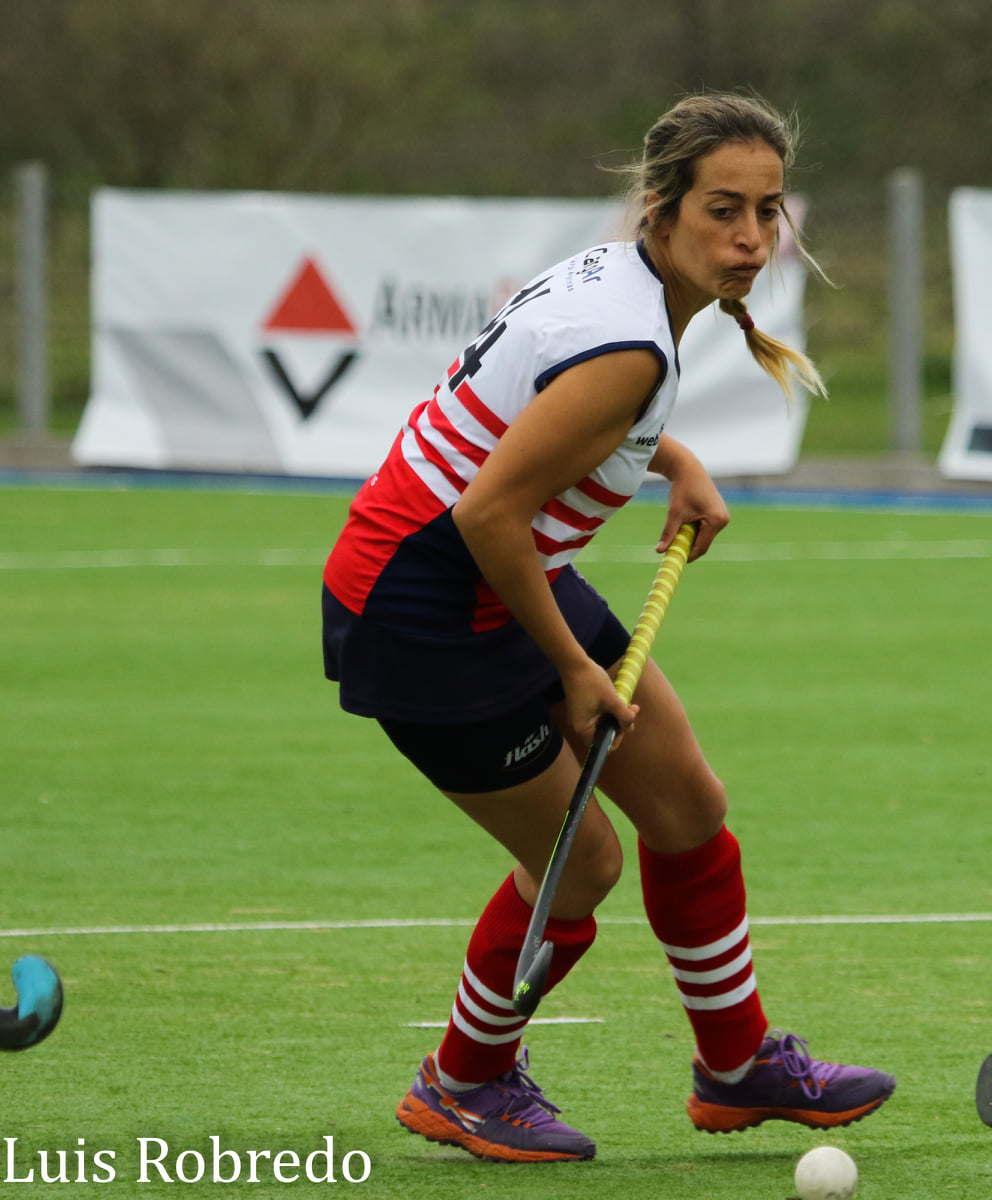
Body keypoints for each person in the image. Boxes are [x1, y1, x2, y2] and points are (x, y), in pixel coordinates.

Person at [320, 92, 895, 1164]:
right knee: (581, 865)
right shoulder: (629, 342)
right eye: (724, 210)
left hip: (505, 575)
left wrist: (674, 460)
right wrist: (574, 667)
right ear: (662, 207)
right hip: (425, 609)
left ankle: (737, 1065)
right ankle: (462, 1081)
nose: (752, 238)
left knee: (686, 803)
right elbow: (486, 511)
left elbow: (546, 414)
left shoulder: (625, 283)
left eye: (768, 211)